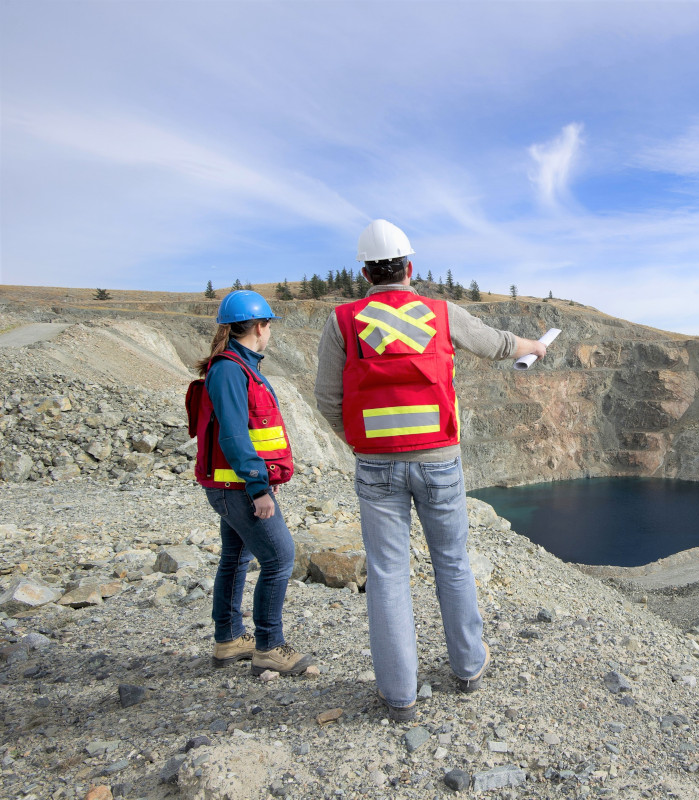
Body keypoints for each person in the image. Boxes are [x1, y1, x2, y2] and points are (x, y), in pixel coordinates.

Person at [315, 219, 546, 721]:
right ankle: (467, 668)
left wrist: (360, 442)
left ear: (365, 272)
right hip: (439, 461)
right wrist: (535, 347)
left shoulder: (344, 322)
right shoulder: (440, 313)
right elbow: (496, 344)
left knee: (388, 575)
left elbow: (327, 399)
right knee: (453, 563)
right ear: (409, 266)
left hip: (376, 467)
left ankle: (399, 696)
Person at [193, 290, 312, 677]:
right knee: (279, 558)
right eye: (269, 326)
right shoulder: (231, 369)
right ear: (260, 327)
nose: (270, 333)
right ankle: (269, 647)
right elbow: (233, 434)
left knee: (237, 557)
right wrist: (258, 486)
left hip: (233, 486)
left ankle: (228, 639)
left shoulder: (238, 365)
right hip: (238, 490)